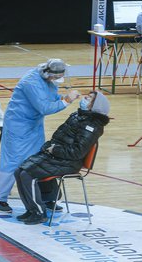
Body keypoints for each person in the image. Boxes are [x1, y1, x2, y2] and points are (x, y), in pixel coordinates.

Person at [0, 59, 81, 213]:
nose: (54, 81)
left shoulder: (47, 79)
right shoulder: (30, 82)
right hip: (18, 126)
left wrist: (60, 98)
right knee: (13, 162)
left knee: (39, 161)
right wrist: (66, 101)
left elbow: (49, 97)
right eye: (53, 78)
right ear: (47, 73)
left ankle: (45, 198)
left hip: (34, 125)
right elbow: (44, 107)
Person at [14, 91, 110, 225]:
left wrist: (55, 149)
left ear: (95, 106)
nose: (84, 98)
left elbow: (77, 152)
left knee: (26, 175)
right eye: (86, 96)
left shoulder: (92, 126)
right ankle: (32, 209)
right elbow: (59, 135)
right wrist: (48, 146)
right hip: (58, 157)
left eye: (88, 98)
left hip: (69, 162)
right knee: (18, 171)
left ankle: (39, 212)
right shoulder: (78, 116)